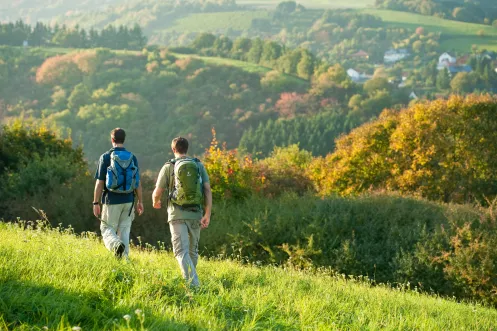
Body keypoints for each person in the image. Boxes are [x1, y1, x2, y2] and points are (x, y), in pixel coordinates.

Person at [152, 137, 212, 287]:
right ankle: (192, 281)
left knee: (181, 251)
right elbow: (207, 190)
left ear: (173, 149)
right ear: (187, 148)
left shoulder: (169, 166)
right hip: (196, 213)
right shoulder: (198, 165)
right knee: (192, 252)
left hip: (176, 214)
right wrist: (207, 214)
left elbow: (157, 191)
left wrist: (155, 202)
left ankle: (194, 286)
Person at [93, 128, 144, 258]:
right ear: (124, 139)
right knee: (125, 232)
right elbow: (137, 182)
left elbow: (99, 183)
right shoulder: (132, 157)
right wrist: (140, 201)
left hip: (111, 200)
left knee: (106, 228)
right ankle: (124, 261)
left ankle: (115, 244)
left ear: (112, 140)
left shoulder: (105, 157)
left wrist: (95, 202)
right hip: (129, 200)